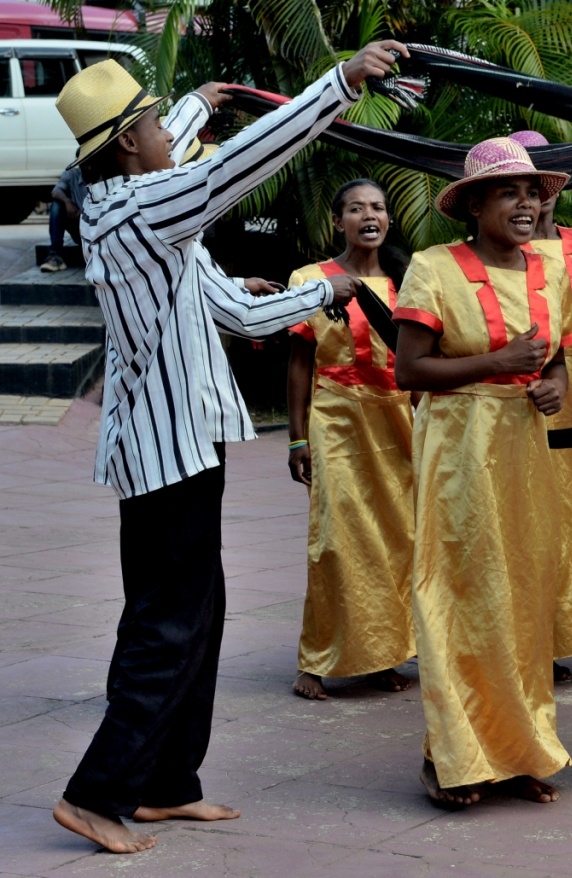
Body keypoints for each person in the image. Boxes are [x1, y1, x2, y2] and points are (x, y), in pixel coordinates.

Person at [49, 42, 402, 853]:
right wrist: (339, 84)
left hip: (171, 446)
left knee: (197, 616)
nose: (174, 136)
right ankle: (95, 793)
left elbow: (242, 319)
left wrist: (201, 101)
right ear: (131, 145)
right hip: (165, 451)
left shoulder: (133, 210)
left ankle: (166, 784)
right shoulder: (149, 209)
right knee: (166, 623)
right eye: (158, 126)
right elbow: (226, 170)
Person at [393, 137, 572, 808]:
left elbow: (556, 357)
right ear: (474, 204)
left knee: (524, 600)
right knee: (463, 594)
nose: (528, 203)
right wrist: (497, 365)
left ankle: (521, 747)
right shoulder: (433, 266)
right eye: (510, 192)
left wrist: (553, 384)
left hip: (525, 452)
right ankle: (450, 755)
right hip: (457, 451)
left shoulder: (552, 269)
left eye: (534, 192)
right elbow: (408, 371)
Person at [286, 178, 416, 700]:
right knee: (336, 544)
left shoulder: (410, 280)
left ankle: (382, 656)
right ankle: (314, 662)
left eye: (379, 208)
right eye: (356, 208)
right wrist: (298, 440)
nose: (370, 216)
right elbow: (300, 361)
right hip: (336, 420)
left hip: (401, 425)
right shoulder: (310, 279)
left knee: (399, 543)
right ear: (337, 221)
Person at [509, 129, 572, 682]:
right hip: (526, 386)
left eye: (542, 184)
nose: (533, 198)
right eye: (519, 186)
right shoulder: (503, 248)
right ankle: (535, 640)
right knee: (531, 512)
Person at [41, 165, 88, 272]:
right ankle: (55, 255)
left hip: (97, 227)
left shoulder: (102, 174)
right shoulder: (72, 174)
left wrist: (88, 209)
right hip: (79, 225)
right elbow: (55, 191)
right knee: (57, 205)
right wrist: (67, 202)